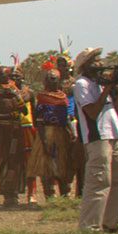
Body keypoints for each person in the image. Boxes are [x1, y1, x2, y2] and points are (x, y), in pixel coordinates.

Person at [74, 49, 118, 232]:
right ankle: (90, 226)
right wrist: (107, 89)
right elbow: (93, 112)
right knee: (99, 181)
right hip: (98, 137)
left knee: (116, 181)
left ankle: (112, 222)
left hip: (114, 133)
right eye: (94, 60)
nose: (99, 63)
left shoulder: (99, 83)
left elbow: (116, 110)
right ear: (85, 65)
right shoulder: (82, 84)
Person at [0, 69, 30, 207]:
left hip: (15, 131)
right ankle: (6, 192)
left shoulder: (15, 92)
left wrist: (16, 96)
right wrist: (8, 116)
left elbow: (25, 111)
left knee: (15, 161)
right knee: (3, 160)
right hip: (1, 132)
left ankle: (15, 192)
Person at [34, 67, 79, 200]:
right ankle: (50, 196)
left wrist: (72, 132)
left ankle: (65, 194)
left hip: (62, 132)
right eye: (49, 79)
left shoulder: (63, 96)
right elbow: (39, 120)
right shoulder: (42, 97)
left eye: (54, 79)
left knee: (63, 163)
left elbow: (66, 117)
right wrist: (44, 139)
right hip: (46, 132)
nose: (51, 81)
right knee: (47, 164)